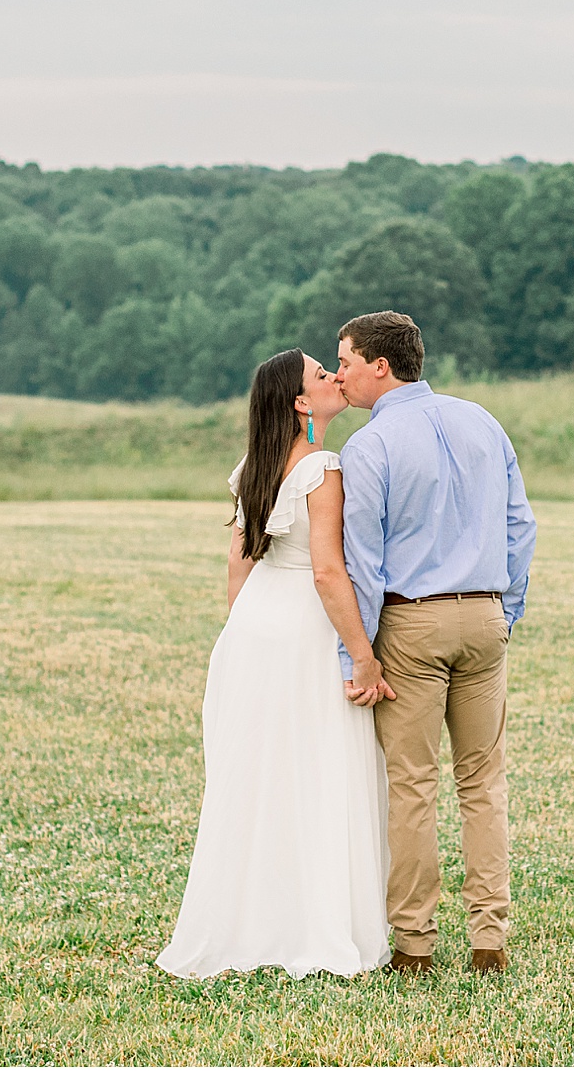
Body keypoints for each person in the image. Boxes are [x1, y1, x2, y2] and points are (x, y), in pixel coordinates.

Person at [157, 348, 395, 980]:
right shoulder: (322, 466)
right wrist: (365, 658)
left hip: (253, 630)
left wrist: (246, 633)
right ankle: (312, 928)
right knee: (318, 771)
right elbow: (326, 570)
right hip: (305, 632)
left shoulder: (252, 466)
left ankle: (247, 925)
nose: (334, 379)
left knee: (256, 776)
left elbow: (239, 564)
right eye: (322, 375)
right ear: (299, 402)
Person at [334, 310, 537, 975]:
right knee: (483, 781)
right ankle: (489, 941)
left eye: (347, 360)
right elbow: (520, 524)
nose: (342, 373)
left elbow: (363, 562)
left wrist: (357, 654)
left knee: (413, 784)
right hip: (484, 618)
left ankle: (415, 945)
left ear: (380, 366)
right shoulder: (483, 421)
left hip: (411, 623)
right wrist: (505, 610)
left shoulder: (371, 446)